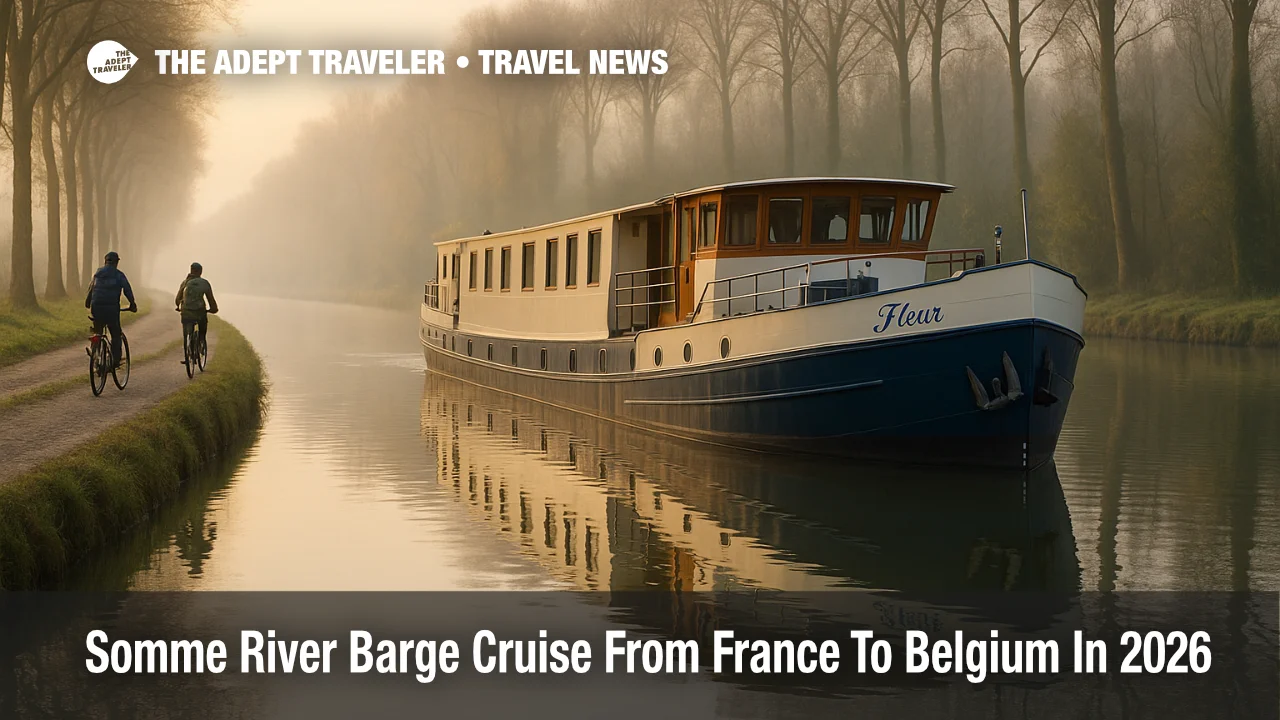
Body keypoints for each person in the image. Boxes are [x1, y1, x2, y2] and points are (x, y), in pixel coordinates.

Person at [84, 250, 137, 367]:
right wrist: (132, 304)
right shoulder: (119, 275)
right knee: (116, 334)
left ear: (105, 261)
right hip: (112, 310)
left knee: (98, 330)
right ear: (116, 263)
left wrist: (88, 303)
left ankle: (95, 353)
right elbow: (127, 290)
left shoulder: (97, 274)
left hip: (96, 308)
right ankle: (115, 361)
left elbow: (91, 289)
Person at [175, 262, 218, 356]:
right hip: (199, 312)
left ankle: (187, 349)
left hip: (186, 312)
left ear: (191, 270)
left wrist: (178, 306)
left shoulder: (185, 282)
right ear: (200, 272)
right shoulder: (204, 283)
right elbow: (211, 300)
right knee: (203, 325)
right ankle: (201, 342)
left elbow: (178, 299)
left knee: (186, 330)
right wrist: (213, 309)